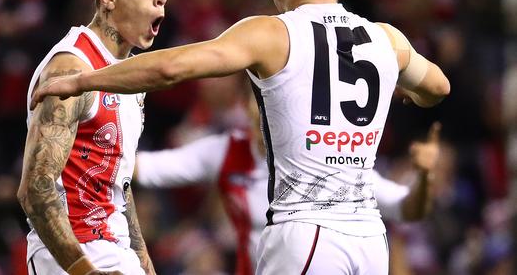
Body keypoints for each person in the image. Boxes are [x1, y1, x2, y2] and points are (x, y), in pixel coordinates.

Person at [31, 0, 451, 274]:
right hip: (370, 238)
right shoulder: (386, 39)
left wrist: (85, 80)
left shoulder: (272, 32)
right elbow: (437, 87)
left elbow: (171, 67)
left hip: (306, 231)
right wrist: (403, 89)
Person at [135, 93, 442, 274]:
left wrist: (425, 176)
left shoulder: (328, 157)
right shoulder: (225, 151)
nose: (264, 115)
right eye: (258, 102)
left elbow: (409, 209)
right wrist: (95, 133)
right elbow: (146, 168)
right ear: (245, 106)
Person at [17, 0, 167, 275]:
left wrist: (145, 265)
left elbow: (119, 186)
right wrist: (84, 271)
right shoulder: (71, 69)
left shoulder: (131, 77)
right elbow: (35, 189)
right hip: (71, 252)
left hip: (116, 248)